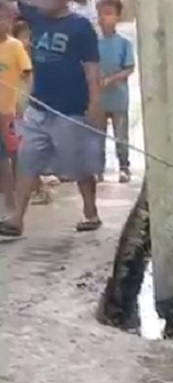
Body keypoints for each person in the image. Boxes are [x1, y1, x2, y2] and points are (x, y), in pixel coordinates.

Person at [0, 0, 104, 236]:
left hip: (69, 108)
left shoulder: (81, 27)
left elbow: (91, 67)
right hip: (38, 106)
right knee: (28, 160)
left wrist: (95, 101)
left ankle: (91, 212)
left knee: (78, 165)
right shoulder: (35, 16)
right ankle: (17, 219)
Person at [10, 16, 53, 206]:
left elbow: (28, 84)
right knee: (19, 153)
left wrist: (23, 106)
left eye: (27, 36)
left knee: (24, 153)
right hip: (15, 108)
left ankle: (41, 188)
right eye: (21, 36)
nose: (24, 40)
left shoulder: (30, 58)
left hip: (25, 109)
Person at [97, 0, 134, 183]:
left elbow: (129, 68)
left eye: (109, 13)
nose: (104, 17)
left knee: (121, 135)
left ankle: (124, 167)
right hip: (99, 99)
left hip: (119, 97)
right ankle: (97, 169)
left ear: (117, 17)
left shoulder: (123, 44)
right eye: (102, 13)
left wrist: (112, 79)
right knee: (97, 135)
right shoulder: (93, 43)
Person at [0, 2, 30, 213]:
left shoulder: (15, 46)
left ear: (11, 21)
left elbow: (27, 74)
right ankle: (9, 201)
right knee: (2, 159)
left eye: (3, 19)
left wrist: (22, 100)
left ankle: (20, 200)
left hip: (10, 111)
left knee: (17, 156)